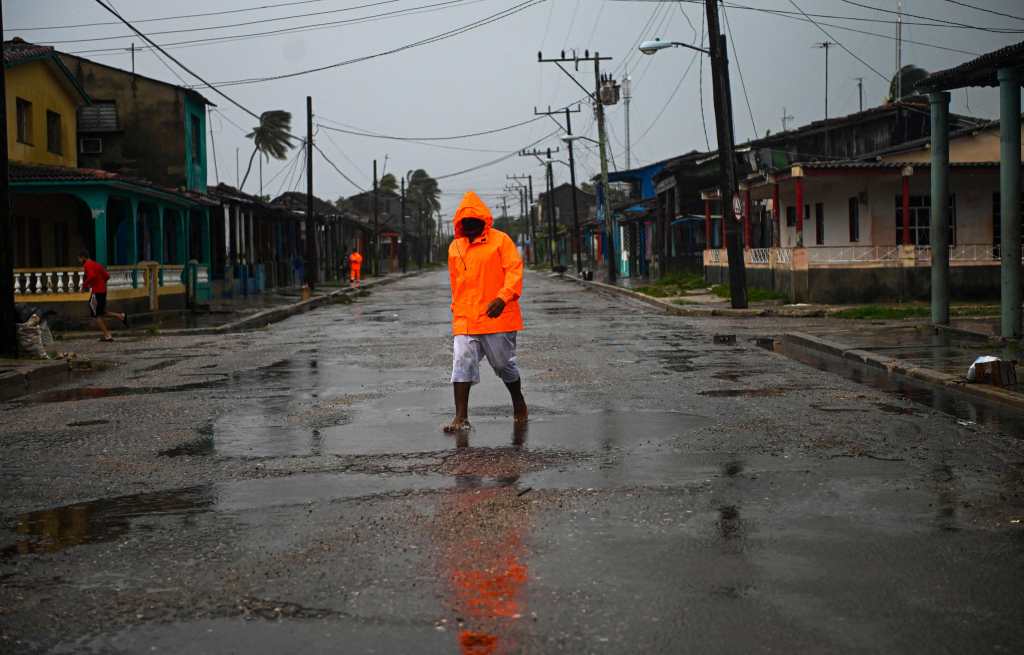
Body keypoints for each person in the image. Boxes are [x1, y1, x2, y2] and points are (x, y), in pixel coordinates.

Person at [443, 191, 527, 433]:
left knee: (503, 365)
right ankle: (460, 417)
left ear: (484, 220)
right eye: (464, 223)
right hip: (466, 318)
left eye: (473, 222)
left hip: (497, 318)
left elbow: (514, 271)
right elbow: (455, 281)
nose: (469, 227)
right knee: (461, 361)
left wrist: (503, 297)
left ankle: (518, 399)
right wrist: (455, 307)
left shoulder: (501, 241)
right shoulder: (454, 247)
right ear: (459, 223)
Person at [78, 249, 128, 342]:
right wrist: (100, 283)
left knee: (96, 314)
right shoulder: (97, 264)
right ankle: (120, 316)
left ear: (83, 257)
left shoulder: (87, 265)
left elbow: (92, 276)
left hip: (96, 292)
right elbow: (107, 276)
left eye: (79, 259)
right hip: (103, 291)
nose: (79, 261)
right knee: (102, 311)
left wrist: (84, 285)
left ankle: (107, 335)